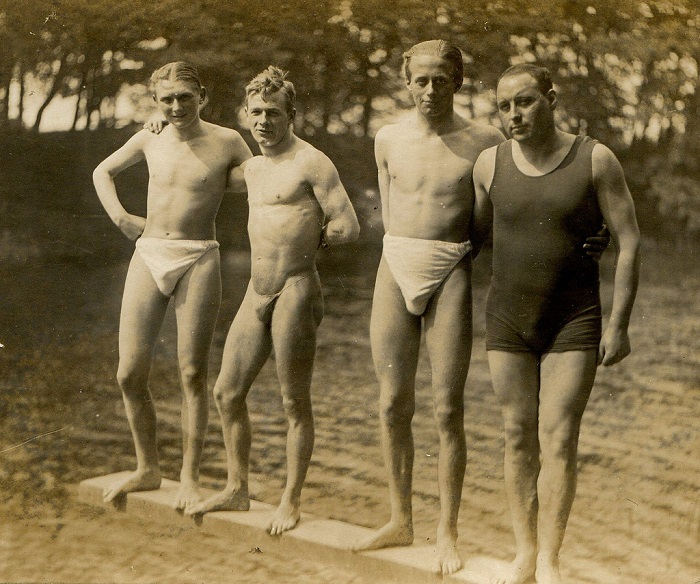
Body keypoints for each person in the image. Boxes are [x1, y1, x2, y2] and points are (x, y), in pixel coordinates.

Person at [472, 63, 641, 584]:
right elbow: (471, 237)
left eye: (524, 101)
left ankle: (549, 559)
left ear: (551, 99)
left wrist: (619, 325)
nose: (514, 114)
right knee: (516, 435)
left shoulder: (595, 158)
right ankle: (524, 553)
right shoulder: (488, 164)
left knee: (560, 438)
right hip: (508, 319)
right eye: (504, 106)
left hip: (573, 318)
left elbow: (630, 240)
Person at [349, 40, 504, 575]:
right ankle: (400, 519)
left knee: (446, 408)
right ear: (407, 81)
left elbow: (484, 223)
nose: (431, 90)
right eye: (421, 80)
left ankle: (447, 532)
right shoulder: (387, 137)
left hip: (450, 265)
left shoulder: (485, 141)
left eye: (441, 79)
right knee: (392, 401)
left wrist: (452, 259)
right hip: (395, 263)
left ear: (457, 80)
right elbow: (389, 206)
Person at [184, 66, 360, 535]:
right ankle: (237, 488)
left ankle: (291, 499)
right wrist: (162, 124)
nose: (264, 121)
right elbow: (197, 154)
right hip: (256, 290)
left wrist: (313, 238)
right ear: (246, 114)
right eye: (257, 112)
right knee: (226, 392)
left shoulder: (312, 162)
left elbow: (348, 226)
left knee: (293, 401)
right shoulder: (252, 168)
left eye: (274, 113)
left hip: (296, 288)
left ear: (291, 115)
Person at [92, 62, 253, 511]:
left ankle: (189, 477)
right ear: (155, 102)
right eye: (167, 100)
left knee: (192, 373)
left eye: (185, 97)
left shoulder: (228, 140)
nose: (177, 106)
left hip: (198, 254)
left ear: (202, 96)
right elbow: (102, 172)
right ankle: (147, 467)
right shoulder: (150, 137)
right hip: (149, 252)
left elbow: (263, 176)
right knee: (128, 373)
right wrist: (121, 218)